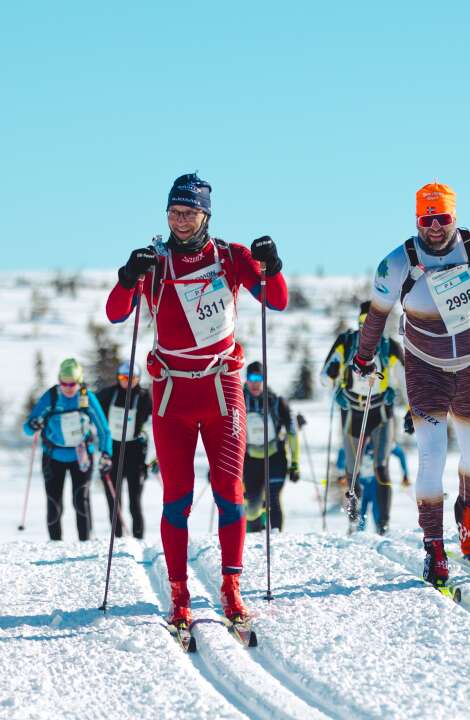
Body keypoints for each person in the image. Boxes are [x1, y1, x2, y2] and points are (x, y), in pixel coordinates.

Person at [104, 173, 287, 627]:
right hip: (171, 394)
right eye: (173, 213)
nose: (180, 221)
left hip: (221, 388)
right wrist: (128, 277)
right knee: (176, 500)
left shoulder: (231, 257)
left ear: (206, 213)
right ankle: (179, 593)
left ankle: (231, 588)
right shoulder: (155, 263)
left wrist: (273, 265)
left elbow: (276, 300)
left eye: (188, 213)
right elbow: (115, 313)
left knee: (231, 491)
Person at [352, 182, 470, 588]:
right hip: (424, 366)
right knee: (431, 455)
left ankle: (467, 514)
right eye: (426, 218)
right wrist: (363, 355)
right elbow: (376, 315)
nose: (434, 226)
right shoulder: (399, 262)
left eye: (442, 217)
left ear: (454, 216)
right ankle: (434, 548)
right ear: (417, 219)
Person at [322, 301, 404, 532]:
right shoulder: (346, 342)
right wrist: (332, 381)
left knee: (381, 466)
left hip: (380, 411)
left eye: (372, 324)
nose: (366, 329)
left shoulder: (389, 347)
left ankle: (383, 524)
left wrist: (407, 407)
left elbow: (407, 382)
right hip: (352, 411)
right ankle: (353, 520)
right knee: (352, 469)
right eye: (362, 323)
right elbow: (324, 376)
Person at [24, 358, 112, 541]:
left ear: (79, 382)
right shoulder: (52, 397)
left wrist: (106, 453)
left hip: (82, 457)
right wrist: (33, 424)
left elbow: (104, 429)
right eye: (64, 383)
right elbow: (27, 427)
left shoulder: (86, 398)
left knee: (81, 500)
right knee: (54, 503)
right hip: (53, 457)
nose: (68, 388)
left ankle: (85, 544)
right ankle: (55, 544)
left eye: (72, 384)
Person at [95, 361, 152, 538]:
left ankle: (138, 538)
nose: (127, 381)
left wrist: (152, 457)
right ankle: (117, 538)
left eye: (132, 378)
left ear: (138, 379)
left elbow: (154, 424)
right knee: (114, 502)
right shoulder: (108, 394)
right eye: (123, 377)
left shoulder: (143, 397)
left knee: (135, 502)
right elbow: (91, 407)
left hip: (135, 451)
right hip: (113, 450)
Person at [243, 361, 299, 533]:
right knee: (252, 505)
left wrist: (295, 463)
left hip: (275, 457)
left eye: (259, 378)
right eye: (251, 378)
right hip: (250, 459)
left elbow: (292, 432)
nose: (255, 382)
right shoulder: (237, 400)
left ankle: (276, 539)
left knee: (272, 497)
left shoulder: (276, 401)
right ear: (246, 379)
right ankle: (254, 540)